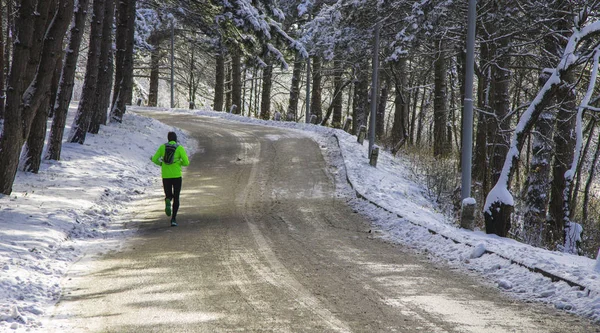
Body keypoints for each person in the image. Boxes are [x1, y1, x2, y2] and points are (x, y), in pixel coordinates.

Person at [151, 131, 190, 226]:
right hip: (176, 175)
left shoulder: (162, 147)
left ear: (168, 139)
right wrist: (179, 163)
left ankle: (168, 199)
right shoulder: (179, 148)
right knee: (176, 197)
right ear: (176, 139)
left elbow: (154, 159)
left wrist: (161, 164)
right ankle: (173, 219)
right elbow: (186, 162)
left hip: (166, 175)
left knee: (168, 194)